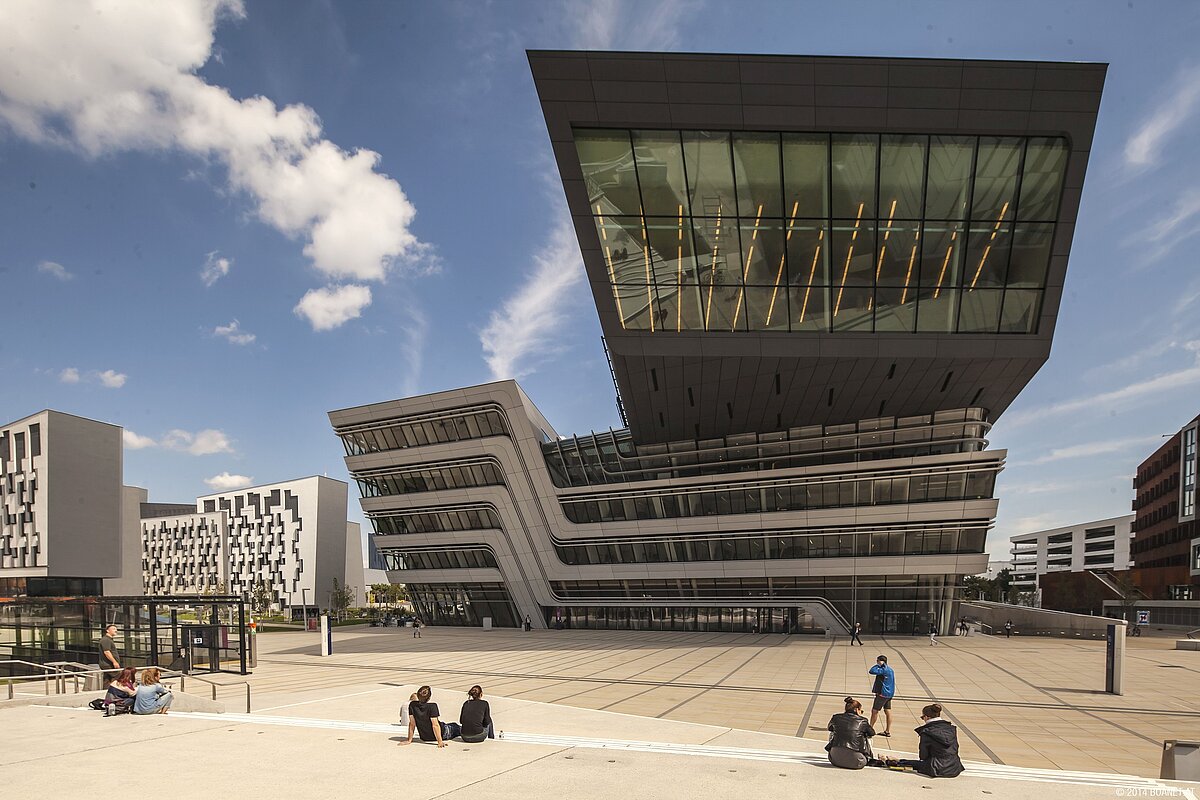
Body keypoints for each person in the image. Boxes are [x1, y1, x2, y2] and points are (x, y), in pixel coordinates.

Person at [883, 703, 964, 778]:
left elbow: (923, 757)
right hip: (954, 766)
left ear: (927, 717)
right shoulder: (951, 729)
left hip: (937, 769)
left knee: (918, 764)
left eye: (922, 718)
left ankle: (896, 761)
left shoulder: (927, 732)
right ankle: (898, 760)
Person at [826, 696, 879, 769]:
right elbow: (872, 733)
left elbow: (830, 728)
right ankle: (869, 757)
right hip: (857, 762)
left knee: (832, 732)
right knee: (868, 736)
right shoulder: (862, 721)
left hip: (834, 759)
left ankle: (835, 751)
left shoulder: (836, 717)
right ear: (857, 710)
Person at [868, 655, 895, 737]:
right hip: (889, 693)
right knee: (887, 711)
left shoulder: (883, 670)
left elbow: (871, 671)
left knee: (875, 711)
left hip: (882, 694)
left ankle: (870, 728)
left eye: (877, 661)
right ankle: (887, 731)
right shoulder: (890, 669)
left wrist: (878, 665)